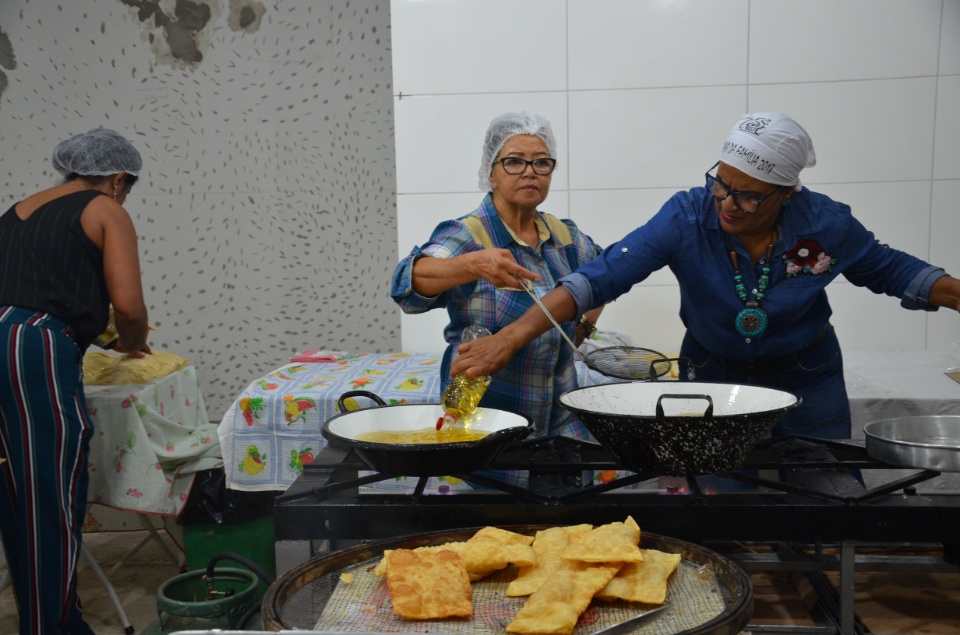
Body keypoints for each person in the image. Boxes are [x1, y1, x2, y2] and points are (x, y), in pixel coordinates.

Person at [451, 112, 960, 442]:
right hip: (713, 371)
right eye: (720, 183)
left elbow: (893, 270)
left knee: (816, 488)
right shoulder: (686, 217)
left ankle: (815, 576)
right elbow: (598, 279)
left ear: (787, 194)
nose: (727, 204)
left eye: (748, 196)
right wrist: (509, 340)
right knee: (721, 496)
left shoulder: (825, 224)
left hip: (808, 374)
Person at [0, 128, 151, 635]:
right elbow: (128, 306)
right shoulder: (106, 209)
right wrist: (130, 339)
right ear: (118, 179)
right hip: (33, 347)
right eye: (127, 188)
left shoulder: (18, 211)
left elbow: (31, 288)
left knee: (16, 492)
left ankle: (45, 615)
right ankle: (53, 627)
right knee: (51, 492)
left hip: (7, 340)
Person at [391, 112, 604, 439]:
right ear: (491, 173)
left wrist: (584, 324)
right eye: (515, 162)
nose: (530, 172)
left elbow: (607, 273)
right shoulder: (468, 235)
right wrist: (474, 264)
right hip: (488, 428)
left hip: (561, 426)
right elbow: (407, 281)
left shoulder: (564, 237)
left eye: (541, 163)